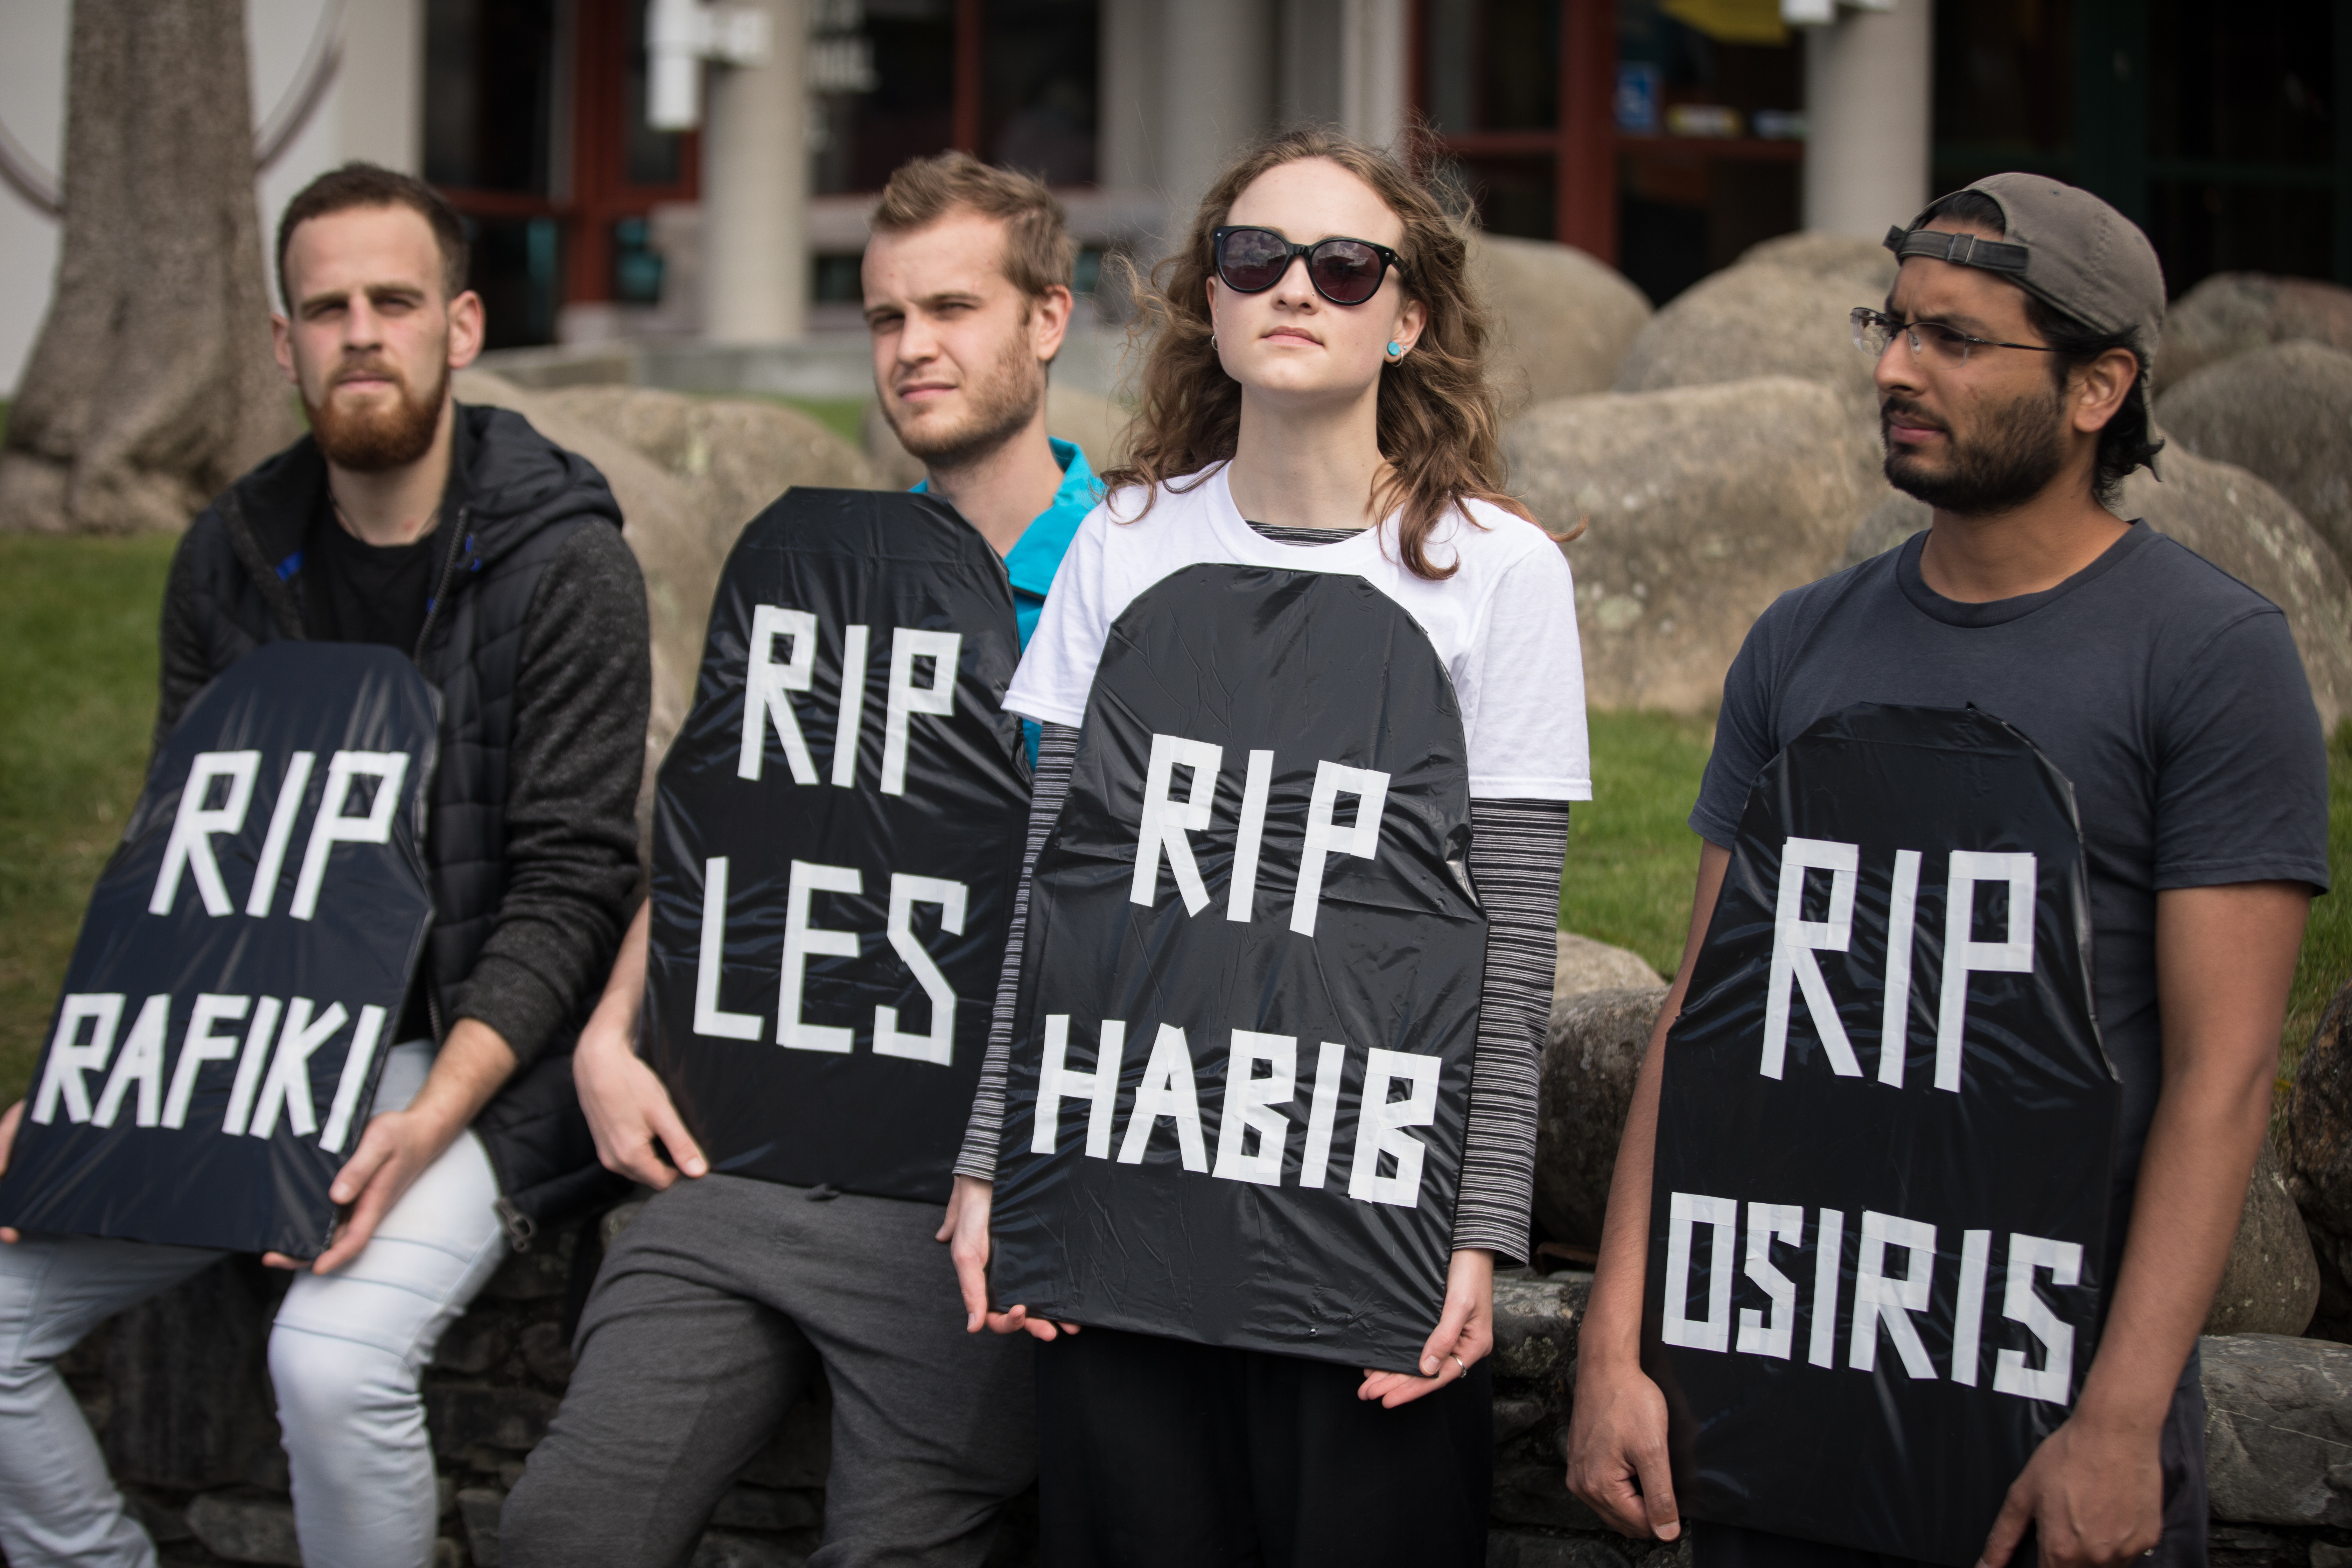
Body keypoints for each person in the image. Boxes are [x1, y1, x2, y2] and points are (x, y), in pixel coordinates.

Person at [1563, 174, 2331, 1568]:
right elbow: (1703, 1019)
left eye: (1958, 341)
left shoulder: (2212, 660)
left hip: (2036, 1435)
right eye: (1894, 326)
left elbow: (2223, 1080)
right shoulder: (1801, 642)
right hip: (1772, 1405)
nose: (1898, 368)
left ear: (2101, 387)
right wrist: (1616, 1344)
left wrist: (2116, 1423)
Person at [944, 128, 1591, 1566]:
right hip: (1124, 1192)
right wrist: (1001, 1166)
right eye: (1257, 257)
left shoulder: (1500, 574)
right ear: (1215, 303)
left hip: (1367, 1216)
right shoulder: (1121, 543)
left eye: (1345, 264)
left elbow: (1512, 941)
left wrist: (1474, 1238)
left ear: (1407, 316)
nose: (1297, 286)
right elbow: (1057, 895)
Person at [0, 163, 650, 1568]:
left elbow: (573, 882)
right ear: (284, 344)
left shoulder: (565, 560)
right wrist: (74, 1092)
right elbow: (182, 866)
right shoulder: (227, 560)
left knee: (333, 1363)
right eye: (328, 307)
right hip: (259, 1042)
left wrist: (431, 1121)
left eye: (395, 301)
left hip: (479, 1052)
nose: (363, 331)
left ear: (461, 328)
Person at [500, 152, 1099, 1568]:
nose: (915, 350)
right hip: (734, 1161)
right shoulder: (821, 564)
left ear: (1049, 321)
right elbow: (734, 833)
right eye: (887, 319)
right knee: (557, 1534)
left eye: (953, 308)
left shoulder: (1131, 580)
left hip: (955, 1200)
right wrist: (607, 1036)